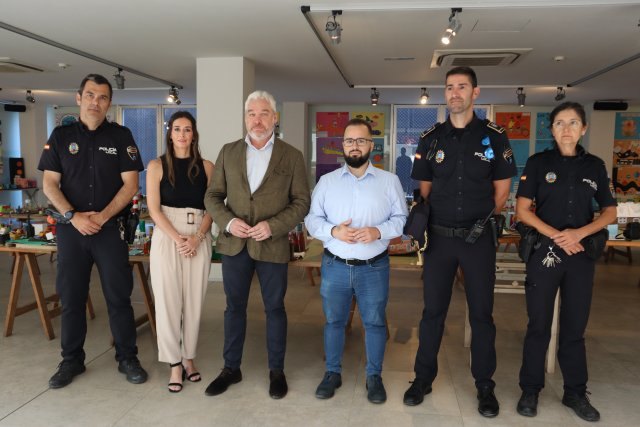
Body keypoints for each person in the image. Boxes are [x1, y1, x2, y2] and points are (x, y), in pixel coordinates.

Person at [405, 66, 517, 417]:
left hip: (477, 239)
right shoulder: (431, 138)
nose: (455, 93)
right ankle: (423, 378)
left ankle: (485, 385)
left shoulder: (495, 137)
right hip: (439, 240)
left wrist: (477, 222)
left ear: (475, 93)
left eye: (462, 87)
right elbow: (424, 191)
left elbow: (502, 193)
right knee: (432, 313)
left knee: (482, 314)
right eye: (450, 87)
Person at [38, 74, 148, 388]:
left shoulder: (121, 136)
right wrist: (73, 216)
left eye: (102, 97)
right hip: (71, 232)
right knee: (72, 298)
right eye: (90, 95)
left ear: (109, 103)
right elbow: (49, 184)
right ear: (78, 98)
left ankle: (127, 357)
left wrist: (102, 216)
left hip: (110, 231)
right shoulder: (60, 136)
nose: (95, 102)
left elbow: (131, 185)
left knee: (119, 297)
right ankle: (71, 360)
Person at [204, 90, 310, 399]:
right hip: (235, 244)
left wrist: (272, 226)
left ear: (275, 118)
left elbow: (301, 202)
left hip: (272, 244)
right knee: (233, 307)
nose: (257, 120)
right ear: (245, 118)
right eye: (252, 113)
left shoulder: (292, 156)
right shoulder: (229, 152)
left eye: (264, 113)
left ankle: (276, 371)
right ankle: (230, 368)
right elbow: (212, 196)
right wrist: (228, 221)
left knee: (275, 308)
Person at [515, 102, 617, 422]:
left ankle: (575, 392)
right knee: (538, 325)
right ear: (552, 129)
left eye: (573, 123)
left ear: (583, 128)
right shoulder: (538, 163)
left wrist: (579, 234)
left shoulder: (595, 166)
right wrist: (558, 236)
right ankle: (530, 390)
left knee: (574, 327)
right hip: (545, 253)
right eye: (559, 123)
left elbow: (610, 212)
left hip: (580, 255)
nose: (566, 129)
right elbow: (522, 210)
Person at [305, 118, 408, 404]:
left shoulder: (389, 181)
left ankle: (374, 376)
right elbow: (312, 220)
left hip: (373, 267)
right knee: (334, 321)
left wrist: (378, 231)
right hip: (335, 265)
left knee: (374, 323)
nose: (354, 146)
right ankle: (332, 373)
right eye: (349, 141)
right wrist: (333, 231)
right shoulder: (327, 182)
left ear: (371, 145)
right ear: (343, 145)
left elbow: (401, 219)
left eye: (361, 140)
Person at [146, 111, 214, 393]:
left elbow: (213, 207)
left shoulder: (207, 167)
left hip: (199, 234)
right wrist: (178, 239)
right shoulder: (156, 166)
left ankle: (188, 358)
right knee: (168, 302)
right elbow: (153, 209)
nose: (182, 134)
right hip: (167, 236)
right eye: (177, 129)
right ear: (170, 134)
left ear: (194, 134)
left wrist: (197, 238)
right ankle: (174, 363)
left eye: (187, 129)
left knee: (194, 303)